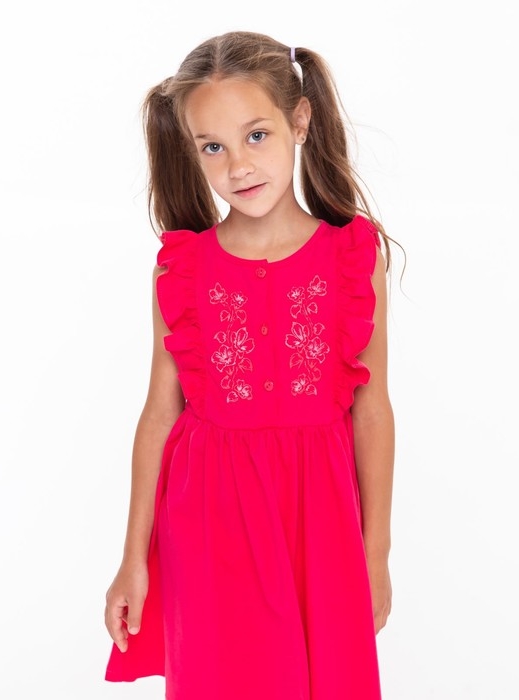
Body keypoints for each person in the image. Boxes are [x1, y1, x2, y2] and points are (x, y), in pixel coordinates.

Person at [103, 30, 397, 699]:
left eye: (256, 135)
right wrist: (132, 559)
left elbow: (373, 410)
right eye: (213, 146)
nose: (238, 165)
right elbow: (159, 414)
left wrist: (375, 552)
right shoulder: (181, 270)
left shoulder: (353, 258)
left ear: (300, 121)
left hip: (319, 527)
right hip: (208, 526)